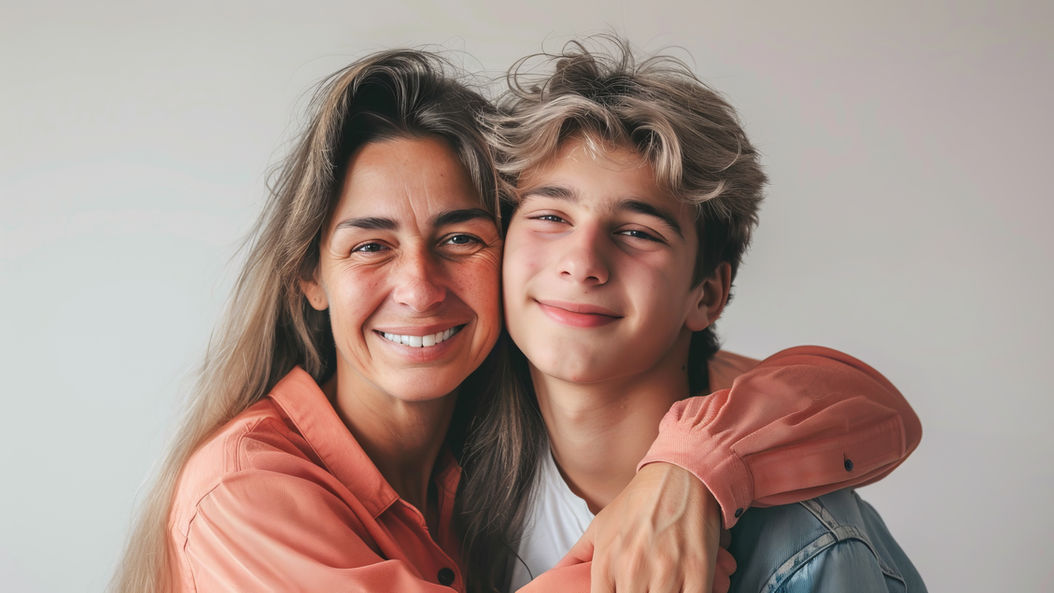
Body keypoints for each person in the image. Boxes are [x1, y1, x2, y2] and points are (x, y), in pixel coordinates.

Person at [111, 47, 919, 593]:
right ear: (307, 277)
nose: (420, 287)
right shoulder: (246, 490)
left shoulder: (487, 424)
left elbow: (854, 402)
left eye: (459, 237)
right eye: (369, 246)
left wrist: (691, 474)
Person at [456, 38, 925, 593]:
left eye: (637, 232)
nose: (582, 263)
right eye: (551, 216)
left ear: (707, 293)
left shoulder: (804, 543)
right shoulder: (445, 465)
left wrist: (694, 467)